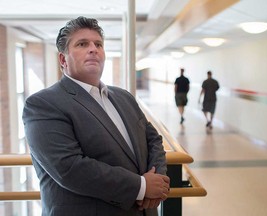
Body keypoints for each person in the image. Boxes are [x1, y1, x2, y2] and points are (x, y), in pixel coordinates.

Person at [22, 16, 170, 216]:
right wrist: (141, 187)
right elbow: (69, 168)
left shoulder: (124, 97)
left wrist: (157, 180)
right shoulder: (43, 104)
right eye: (82, 44)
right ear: (63, 59)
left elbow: (152, 139)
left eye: (98, 44)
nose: (93, 49)